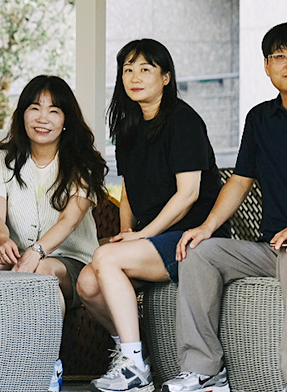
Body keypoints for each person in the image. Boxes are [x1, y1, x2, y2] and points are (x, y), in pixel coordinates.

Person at [164, 23, 287, 392]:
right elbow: (240, 181)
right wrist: (206, 228)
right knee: (197, 252)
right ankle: (204, 370)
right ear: (267, 65)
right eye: (281, 56)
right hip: (273, 247)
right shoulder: (259, 118)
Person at [80, 39, 227, 392]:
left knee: (105, 258)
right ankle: (133, 354)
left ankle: (134, 369)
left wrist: (142, 236)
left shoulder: (184, 121)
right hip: (154, 238)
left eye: (145, 69)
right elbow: (129, 191)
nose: (135, 77)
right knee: (87, 283)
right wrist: (126, 231)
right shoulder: (128, 126)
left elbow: (189, 194)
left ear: (165, 77)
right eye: (128, 69)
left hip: (193, 237)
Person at [0, 75, 107, 392]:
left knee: (43, 271)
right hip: (18, 255)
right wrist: (1, 239)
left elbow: (69, 220)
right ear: (22, 114)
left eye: (54, 111)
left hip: (73, 263)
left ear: (66, 120)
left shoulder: (81, 162)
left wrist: (36, 252)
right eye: (35, 108)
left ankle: (46, 365)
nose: (42, 118)